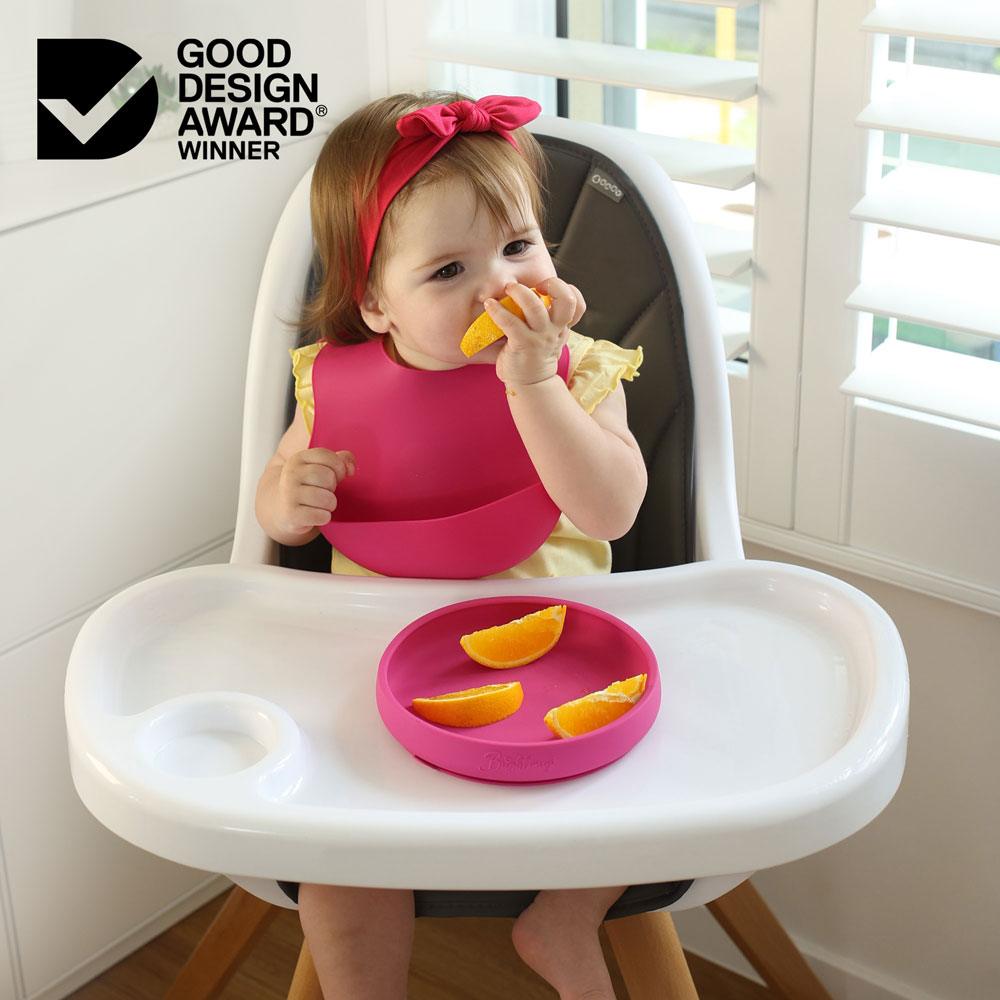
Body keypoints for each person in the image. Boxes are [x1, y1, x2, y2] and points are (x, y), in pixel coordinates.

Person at [255, 90, 647, 1000]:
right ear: (377, 306)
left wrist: (534, 386)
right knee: (342, 858)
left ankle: (566, 916)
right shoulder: (331, 385)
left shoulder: (580, 369)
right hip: (379, 662)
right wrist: (289, 498)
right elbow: (276, 515)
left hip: (558, 656)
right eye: (447, 271)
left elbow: (611, 511)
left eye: (519, 248)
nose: (501, 287)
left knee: (645, 792)